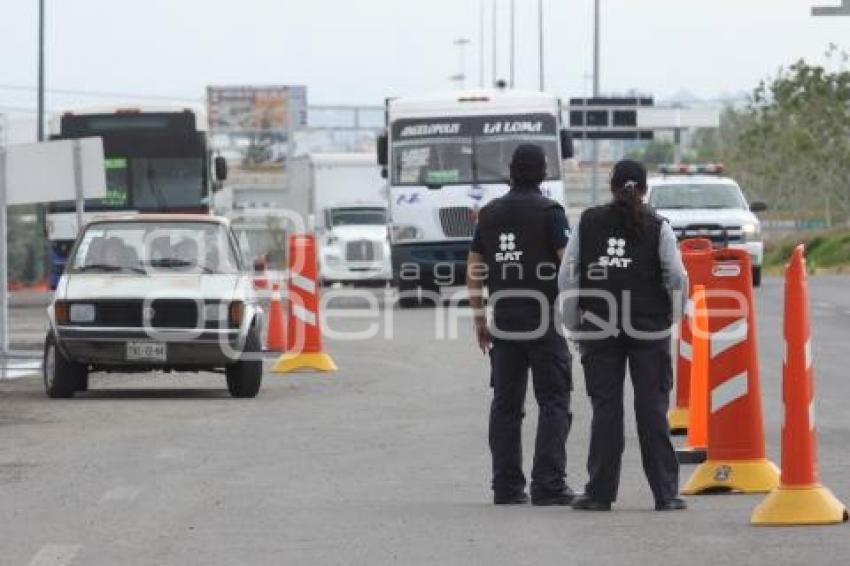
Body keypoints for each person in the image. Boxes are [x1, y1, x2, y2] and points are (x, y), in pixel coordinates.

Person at [558, 159, 688, 511]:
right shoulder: (660, 226)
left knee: (606, 410)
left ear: (611, 187)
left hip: (599, 327)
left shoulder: (587, 222)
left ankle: (600, 494)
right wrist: (674, 316)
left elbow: (568, 275)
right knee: (652, 410)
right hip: (650, 327)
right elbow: (676, 276)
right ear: (644, 190)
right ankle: (665, 494)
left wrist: (572, 322)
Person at [467, 144, 574, 506]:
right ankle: (548, 485)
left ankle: (506, 486)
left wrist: (480, 318)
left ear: (511, 172)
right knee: (554, 401)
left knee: (505, 405)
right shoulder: (551, 213)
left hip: (505, 322)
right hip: (543, 321)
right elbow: (568, 266)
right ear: (542, 173)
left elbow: (475, 269)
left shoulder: (489, 214)